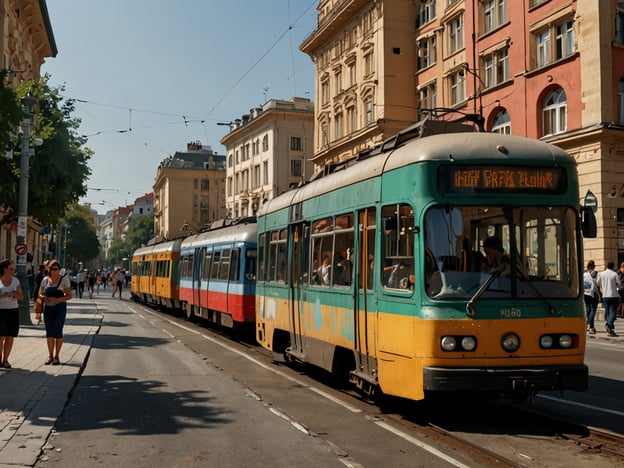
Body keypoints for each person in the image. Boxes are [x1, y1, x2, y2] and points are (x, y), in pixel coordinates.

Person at [38, 259, 72, 365]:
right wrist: (44, 298)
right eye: (52, 269)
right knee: (49, 332)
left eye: (56, 269)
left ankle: (57, 356)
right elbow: (40, 293)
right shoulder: (45, 280)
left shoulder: (64, 280)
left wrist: (57, 300)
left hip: (60, 308)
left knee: (57, 331)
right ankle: (50, 356)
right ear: (49, 269)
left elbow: (69, 296)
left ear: (59, 270)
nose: (54, 271)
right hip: (48, 309)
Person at [0, 259, 24, 369]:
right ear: (4, 269)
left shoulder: (16, 281)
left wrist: (14, 294)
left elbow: (21, 297)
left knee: (10, 336)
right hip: (1, 311)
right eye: (11, 268)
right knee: (1, 336)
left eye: (13, 268)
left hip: (13, 311)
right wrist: (2, 295)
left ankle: (5, 360)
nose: (13, 270)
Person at [596, 261, 622, 337]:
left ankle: (610, 327)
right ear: (613, 266)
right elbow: (619, 284)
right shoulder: (614, 274)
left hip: (605, 295)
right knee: (613, 311)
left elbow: (597, 283)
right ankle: (609, 324)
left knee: (608, 311)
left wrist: (602, 288)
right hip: (614, 295)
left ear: (606, 266)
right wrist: (617, 286)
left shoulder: (601, 274)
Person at [583, 260, 599, 334]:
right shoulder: (595, 273)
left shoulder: (584, 274)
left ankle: (591, 327)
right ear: (594, 266)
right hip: (593, 293)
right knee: (593, 309)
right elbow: (598, 283)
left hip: (586, 293)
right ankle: (589, 324)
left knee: (588, 309)